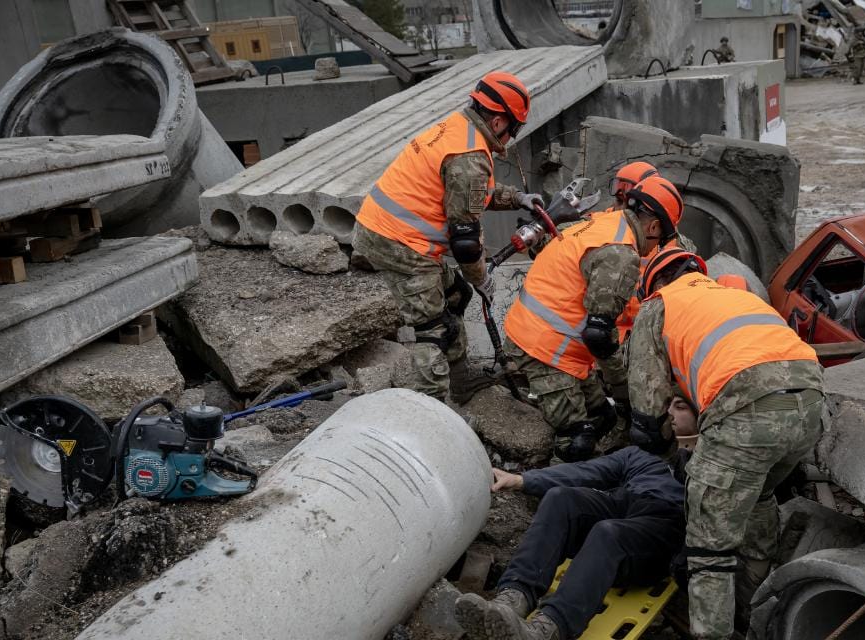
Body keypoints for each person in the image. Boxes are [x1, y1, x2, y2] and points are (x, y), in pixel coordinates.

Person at [626, 249, 825, 640]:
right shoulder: (738, 297)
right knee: (759, 494)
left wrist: (673, 460)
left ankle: (715, 631)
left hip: (749, 413)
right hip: (811, 403)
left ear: (655, 284)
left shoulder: (659, 306)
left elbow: (647, 415)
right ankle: (752, 610)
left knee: (708, 549)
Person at [353, 71, 544, 405]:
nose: (511, 136)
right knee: (433, 330)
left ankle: (460, 380)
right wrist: (482, 278)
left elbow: (466, 194)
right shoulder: (469, 157)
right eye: (514, 128)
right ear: (499, 122)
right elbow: (466, 241)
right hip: (401, 243)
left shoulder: (459, 130)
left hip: (387, 230)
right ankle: (435, 414)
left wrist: (516, 198)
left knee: (456, 295)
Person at [453, 398, 700, 640]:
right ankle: (514, 597)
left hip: (659, 536)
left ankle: (547, 629)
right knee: (561, 498)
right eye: (669, 405)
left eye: (680, 407)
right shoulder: (642, 457)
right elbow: (585, 472)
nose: (669, 412)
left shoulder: (710, 468)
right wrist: (523, 480)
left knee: (609, 531)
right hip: (626, 510)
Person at [503, 176, 686, 463]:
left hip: (547, 339)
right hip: (544, 348)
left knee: (604, 416)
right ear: (653, 226)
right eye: (661, 238)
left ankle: (595, 465)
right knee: (579, 439)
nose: (655, 248)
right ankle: (551, 481)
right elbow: (598, 336)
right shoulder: (621, 253)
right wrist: (623, 388)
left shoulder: (603, 224)